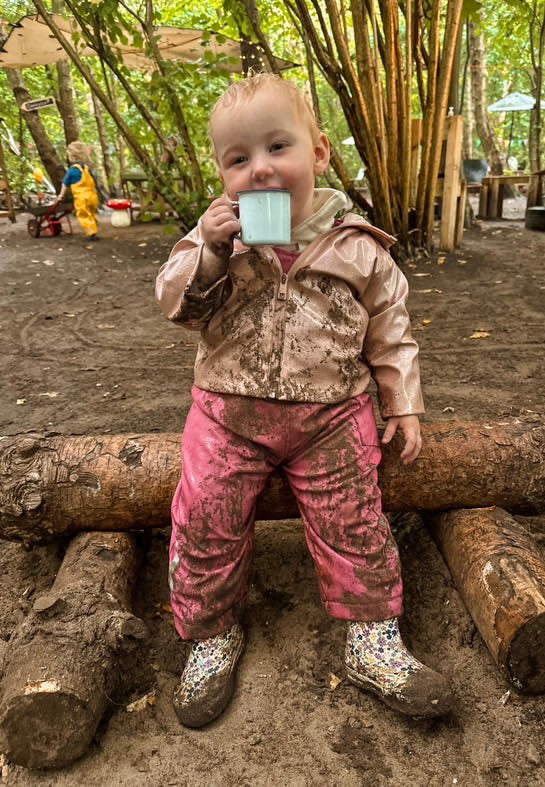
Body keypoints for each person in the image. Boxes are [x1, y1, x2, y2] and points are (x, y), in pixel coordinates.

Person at [155, 73, 453, 729]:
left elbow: (390, 329)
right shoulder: (217, 238)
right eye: (238, 159)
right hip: (227, 413)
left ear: (318, 153)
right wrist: (207, 250)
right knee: (205, 513)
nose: (259, 168)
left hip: (331, 416)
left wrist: (403, 403)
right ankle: (209, 632)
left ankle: (373, 638)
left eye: (277, 148)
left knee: (356, 520)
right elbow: (175, 304)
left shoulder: (356, 246)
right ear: (222, 173)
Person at [55, 141, 99, 239]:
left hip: (82, 198)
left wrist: (61, 195)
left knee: (84, 215)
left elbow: (65, 183)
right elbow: (93, 182)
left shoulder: (72, 170)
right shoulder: (87, 169)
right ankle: (94, 229)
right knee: (92, 213)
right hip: (93, 196)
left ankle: (91, 233)